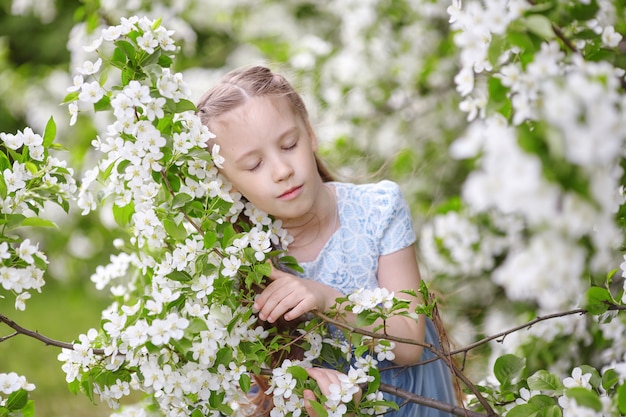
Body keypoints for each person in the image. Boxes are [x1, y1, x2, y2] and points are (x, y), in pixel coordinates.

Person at [196, 65, 456, 416]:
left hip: (413, 406)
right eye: (254, 165)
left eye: (289, 145)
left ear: (311, 134)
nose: (281, 170)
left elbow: (410, 343)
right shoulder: (240, 261)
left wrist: (322, 298)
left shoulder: (378, 209)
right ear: (229, 184)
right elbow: (256, 390)